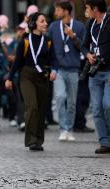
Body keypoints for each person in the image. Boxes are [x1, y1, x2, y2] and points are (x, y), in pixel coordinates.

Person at [5, 12, 54, 151]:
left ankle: (39, 140)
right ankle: (31, 140)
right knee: (32, 106)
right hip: (27, 76)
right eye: (42, 21)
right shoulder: (25, 41)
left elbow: (52, 59)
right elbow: (17, 62)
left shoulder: (48, 41)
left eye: (45, 21)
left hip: (43, 76)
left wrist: (54, 70)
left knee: (41, 108)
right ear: (33, 24)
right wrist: (9, 78)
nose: (45, 23)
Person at [48, 1, 86, 141]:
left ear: (66, 11)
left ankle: (69, 129)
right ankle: (63, 128)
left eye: (58, 10)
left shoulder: (79, 26)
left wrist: (72, 36)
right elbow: (49, 49)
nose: (56, 13)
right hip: (58, 69)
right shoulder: (53, 27)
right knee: (60, 97)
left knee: (71, 102)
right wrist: (51, 68)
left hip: (74, 69)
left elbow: (84, 48)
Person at [83, 0, 110, 154]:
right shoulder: (90, 24)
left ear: (95, 8)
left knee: (108, 105)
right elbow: (84, 45)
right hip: (95, 72)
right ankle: (105, 143)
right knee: (96, 109)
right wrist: (88, 54)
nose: (86, 11)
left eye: (87, 8)